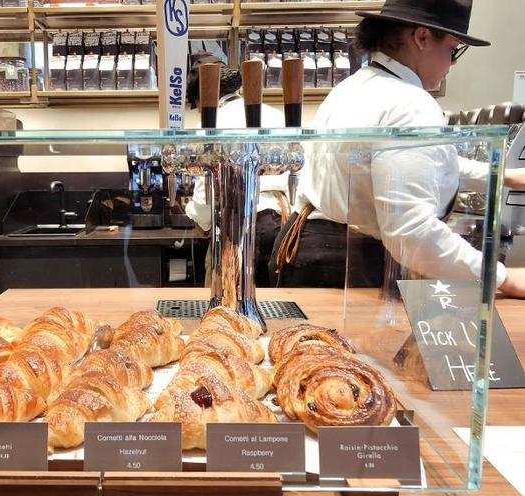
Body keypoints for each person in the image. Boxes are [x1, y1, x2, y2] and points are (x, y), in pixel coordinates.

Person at [270, 0, 525, 298]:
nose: (452, 64)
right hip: (351, 269)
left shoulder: (352, 87)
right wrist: (504, 278)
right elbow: (412, 232)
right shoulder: (410, 105)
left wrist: (504, 175)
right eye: (452, 50)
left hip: (310, 252)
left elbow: (410, 163)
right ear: (422, 38)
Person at [185, 54, 289, 286]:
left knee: (227, 304)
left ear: (204, 98)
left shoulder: (212, 124)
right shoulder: (276, 114)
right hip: (278, 223)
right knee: (272, 301)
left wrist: (202, 221)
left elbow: (206, 194)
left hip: (234, 226)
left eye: (196, 105)